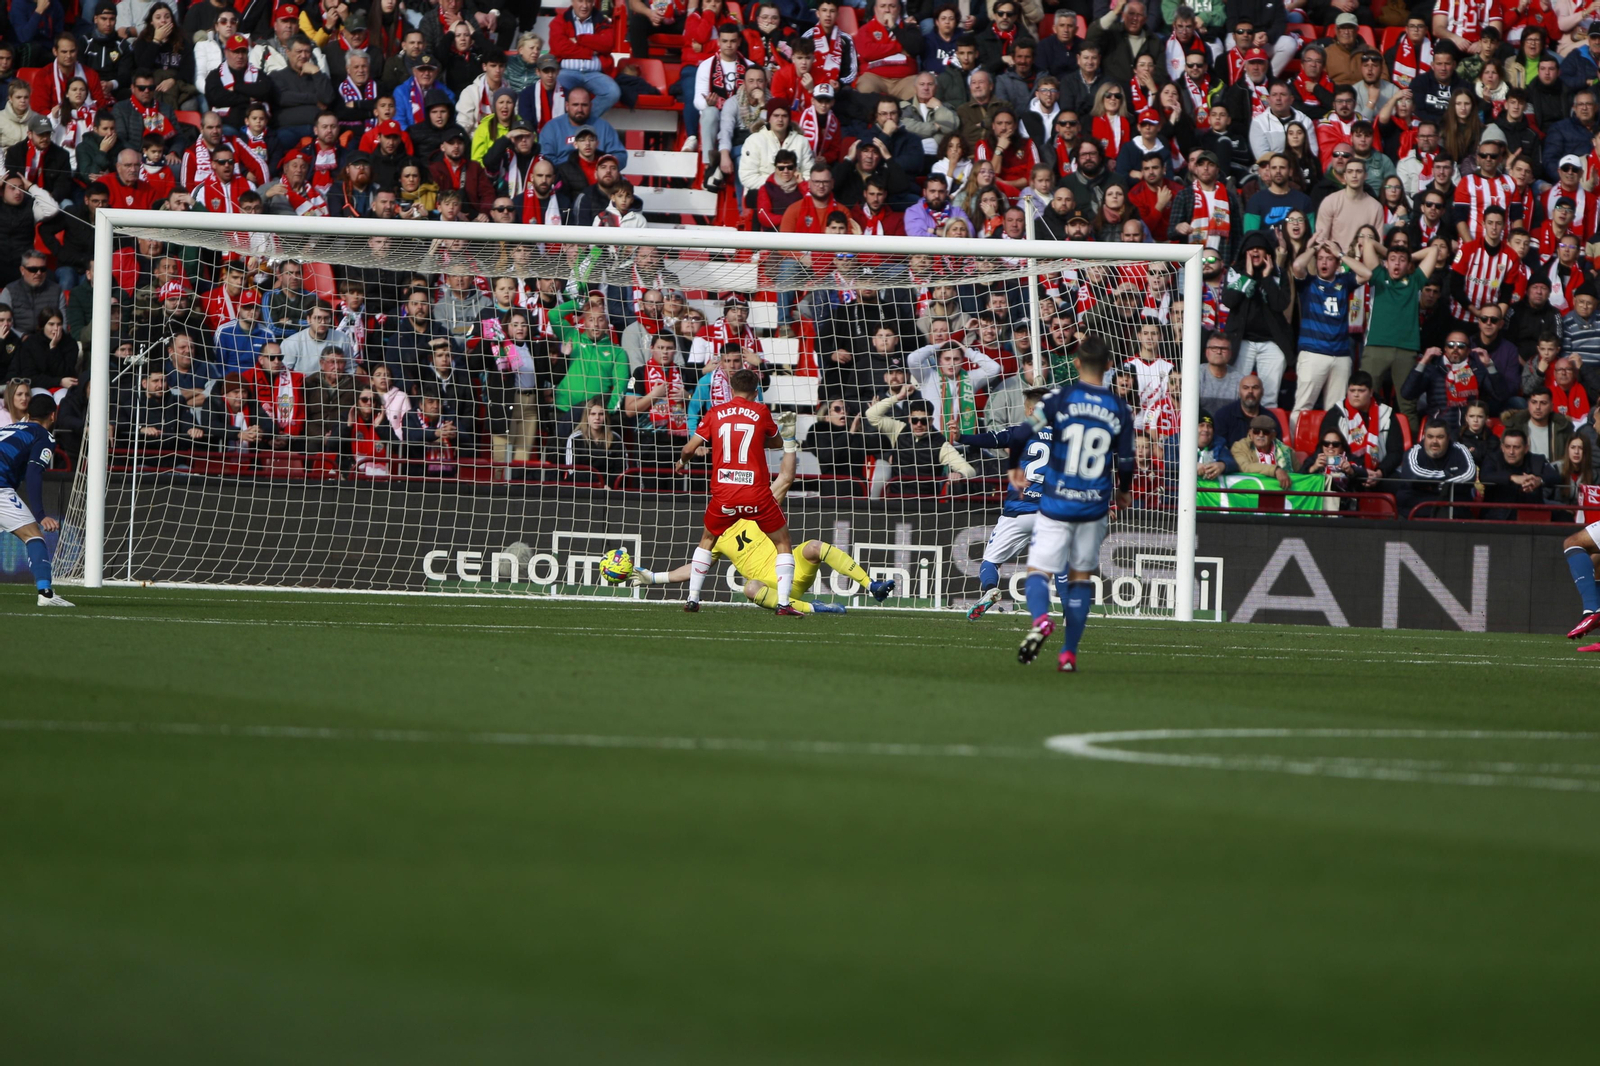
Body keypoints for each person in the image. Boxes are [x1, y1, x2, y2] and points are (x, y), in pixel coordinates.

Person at [632, 444, 893, 614]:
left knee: (814, 546)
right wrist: (654, 578)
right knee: (750, 588)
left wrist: (789, 444)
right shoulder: (715, 533)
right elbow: (695, 569)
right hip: (769, 586)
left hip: (793, 570)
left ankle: (872, 585)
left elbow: (786, 478)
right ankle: (814, 608)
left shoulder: (754, 507)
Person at [1013, 336, 1131, 673]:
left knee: (1039, 571)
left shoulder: (1060, 398)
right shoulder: (1120, 408)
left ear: (1076, 363)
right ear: (1109, 366)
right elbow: (1126, 461)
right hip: (1094, 505)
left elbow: (1021, 434)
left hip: (1057, 502)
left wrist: (1013, 468)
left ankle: (1040, 618)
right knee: (1080, 578)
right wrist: (1124, 491)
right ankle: (1068, 654)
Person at [674, 367, 797, 614]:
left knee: (707, 540)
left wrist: (681, 463)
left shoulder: (715, 413)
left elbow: (688, 448)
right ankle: (784, 603)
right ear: (756, 391)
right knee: (783, 543)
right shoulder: (761, 411)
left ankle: (693, 598)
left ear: (731, 389)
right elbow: (776, 443)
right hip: (756, 494)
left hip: (724, 494)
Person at [953, 387, 1070, 622]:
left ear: (1031, 411)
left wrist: (962, 438)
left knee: (990, 562)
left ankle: (990, 589)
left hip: (1018, 511)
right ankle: (1069, 612)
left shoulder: (1021, 432)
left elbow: (992, 439)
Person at [1342, 232, 1444, 424]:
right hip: (1376, 347)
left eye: (1402, 261)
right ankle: (1359, 440)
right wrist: (1394, 254)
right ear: (1385, 263)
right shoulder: (1378, 276)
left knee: (1407, 405)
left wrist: (1405, 256)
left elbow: (1433, 251)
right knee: (1363, 399)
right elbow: (1368, 243)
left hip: (1406, 350)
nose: (1397, 264)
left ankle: (1409, 443)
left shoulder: (1415, 280)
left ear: (1409, 265)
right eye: (1393, 260)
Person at [0, 394, 73, 607]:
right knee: (34, 536)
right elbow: (34, 472)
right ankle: (46, 593)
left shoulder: (8, 428)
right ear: (53, 415)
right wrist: (40, 515)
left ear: (29, 413)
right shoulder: (43, 436)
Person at [1394, 421, 1478, 518]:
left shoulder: (1461, 449)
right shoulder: (1413, 452)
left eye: (1440, 437)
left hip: (1454, 512)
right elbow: (1414, 475)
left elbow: (1470, 475)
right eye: (1430, 437)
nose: (1434, 441)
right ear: (1424, 437)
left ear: (1448, 438)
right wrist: (1447, 475)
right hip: (1416, 513)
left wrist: (1436, 486)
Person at [1480, 428, 1559, 520]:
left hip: (1530, 517)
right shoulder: (1492, 458)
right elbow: (1485, 476)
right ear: (1502, 447)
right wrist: (1512, 477)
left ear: (1526, 449)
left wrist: (1538, 480)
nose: (1511, 452)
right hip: (1497, 517)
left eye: (1516, 447)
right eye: (1507, 447)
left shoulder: (1537, 460)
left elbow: (1555, 477)